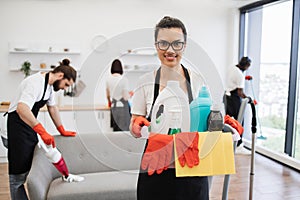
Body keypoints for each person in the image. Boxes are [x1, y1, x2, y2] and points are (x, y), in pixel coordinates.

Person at [129, 16, 209, 200]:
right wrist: (135, 126)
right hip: (155, 166)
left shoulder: (197, 81)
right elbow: (134, 126)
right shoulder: (145, 82)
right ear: (156, 45)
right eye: (163, 43)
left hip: (191, 166)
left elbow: (205, 124)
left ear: (185, 45)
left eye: (177, 44)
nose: (170, 50)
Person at [7, 58, 83, 200]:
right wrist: (42, 131)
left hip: (28, 127)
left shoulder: (49, 87)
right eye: (66, 84)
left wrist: (62, 130)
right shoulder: (35, 83)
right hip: (16, 127)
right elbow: (22, 109)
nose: (64, 89)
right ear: (60, 76)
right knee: (17, 176)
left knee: (29, 167)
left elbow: (52, 108)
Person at [224, 56, 252, 153]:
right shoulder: (240, 75)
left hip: (227, 97)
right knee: (239, 121)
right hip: (235, 97)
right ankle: (239, 145)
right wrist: (248, 98)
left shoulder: (232, 68)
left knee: (229, 120)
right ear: (246, 66)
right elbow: (240, 92)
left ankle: (228, 142)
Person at [106, 59, 131, 131]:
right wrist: (130, 94)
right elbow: (125, 97)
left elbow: (107, 95)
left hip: (114, 107)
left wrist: (109, 102)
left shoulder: (108, 79)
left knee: (115, 131)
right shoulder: (124, 79)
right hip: (123, 108)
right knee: (124, 132)